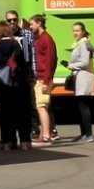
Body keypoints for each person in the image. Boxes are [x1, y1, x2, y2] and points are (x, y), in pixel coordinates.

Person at [0, 19, 34, 151]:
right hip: (17, 83)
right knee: (22, 112)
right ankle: (25, 141)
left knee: (5, 114)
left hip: (1, 84)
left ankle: (7, 141)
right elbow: (22, 60)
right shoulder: (15, 44)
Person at [29, 14, 59, 145]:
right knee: (41, 106)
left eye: (32, 24)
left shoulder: (46, 39)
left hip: (43, 78)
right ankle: (46, 133)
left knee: (41, 106)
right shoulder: (39, 38)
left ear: (39, 23)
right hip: (39, 77)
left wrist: (47, 81)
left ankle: (46, 135)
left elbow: (51, 61)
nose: (30, 27)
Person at [67, 22, 94, 143]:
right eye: (74, 30)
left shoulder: (84, 44)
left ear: (83, 31)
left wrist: (71, 66)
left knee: (83, 106)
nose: (75, 33)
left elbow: (84, 62)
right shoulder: (79, 43)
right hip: (80, 78)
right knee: (80, 107)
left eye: (78, 31)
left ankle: (88, 134)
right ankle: (83, 134)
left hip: (84, 78)